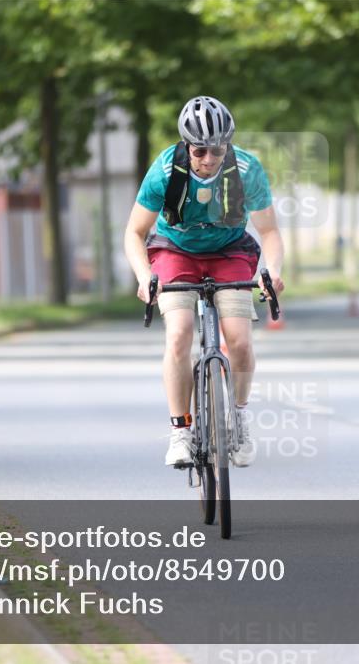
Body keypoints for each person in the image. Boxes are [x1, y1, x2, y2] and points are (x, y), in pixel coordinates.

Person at [124, 96, 285, 468]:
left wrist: (272, 270)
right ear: (186, 145)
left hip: (229, 250)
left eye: (216, 150)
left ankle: (239, 417)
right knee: (179, 334)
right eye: (199, 151)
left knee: (240, 340)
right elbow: (135, 232)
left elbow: (270, 231)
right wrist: (144, 276)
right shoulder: (165, 169)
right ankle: (180, 430)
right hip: (174, 250)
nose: (208, 159)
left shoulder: (247, 169)